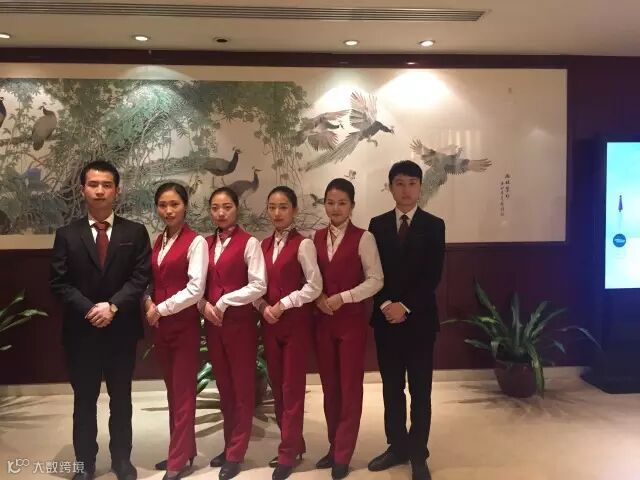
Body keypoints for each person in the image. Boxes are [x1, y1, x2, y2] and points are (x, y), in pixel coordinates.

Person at [50, 160, 151, 480]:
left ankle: (122, 460)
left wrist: (113, 307)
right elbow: (59, 283)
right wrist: (91, 309)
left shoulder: (135, 232)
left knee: (121, 400)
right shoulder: (67, 234)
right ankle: (85, 464)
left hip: (121, 331)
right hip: (81, 332)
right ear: (83, 189)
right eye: (93, 184)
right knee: (84, 401)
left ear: (116, 190)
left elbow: (140, 278)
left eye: (107, 185)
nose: (99, 190)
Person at [367, 160, 445, 480]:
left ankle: (418, 453)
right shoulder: (377, 225)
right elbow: (372, 272)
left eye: (412, 183)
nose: (406, 190)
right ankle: (397, 446)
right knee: (392, 388)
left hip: (420, 320)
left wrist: (406, 306)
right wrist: (387, 304)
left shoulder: (434, 225)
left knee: (420, 390)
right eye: (399, 183)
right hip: (386, 320)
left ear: (420, 187)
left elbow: (433, 275)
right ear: (390, 187)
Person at [312, 178, 384, 480]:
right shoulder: (315, 238)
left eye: (342, 203)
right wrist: (318, 297)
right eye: (330, 202)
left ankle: (343, 453)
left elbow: (376, 280)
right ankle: (334, 445)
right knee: (330, 388)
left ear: (352, 205)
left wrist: (344, 297)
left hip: (351, 322)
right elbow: (309, 277)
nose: (335, 208)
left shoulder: (364, 238)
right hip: (322, 322)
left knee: (350, 388)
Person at [198, 187, 267, 480]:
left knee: (242, 389)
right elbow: (196, 285)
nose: (221, 213)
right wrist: (202, 305)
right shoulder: (204, 244)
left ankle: (236, 453)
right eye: (215, 207)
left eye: (227, 206)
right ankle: (229, 446)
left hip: (240, 326)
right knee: (224, 388)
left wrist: (225, 301)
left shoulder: (249, 243)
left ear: (237, 208)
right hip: (214, 326)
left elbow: (259, 285)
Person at [254, 186, 322, 480]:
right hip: (270, 324)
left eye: (283, 207)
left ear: (294, 210)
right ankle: (294, 444)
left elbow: (314, 286)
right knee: (278, 388)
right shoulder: (262, 245)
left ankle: (287, 454)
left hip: (295, 325)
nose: (277, 213)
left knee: (292, 388)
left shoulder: (303, 244)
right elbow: (255, 285)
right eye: (272, 207)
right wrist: (262, 306)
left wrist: (284, 304)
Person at [144, 183, 208, 480]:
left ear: (185, 206)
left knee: (183, 393)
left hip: (183, 327)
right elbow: (152, 280)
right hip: (161, 327)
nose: (168, 211)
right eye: (162, 205)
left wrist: (162, 308)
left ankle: (178, 459)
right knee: (173, 391)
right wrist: (148, 302)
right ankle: (184, 449)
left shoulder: (196, 242)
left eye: (174, 204)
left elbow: (196, 289)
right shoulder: (160, 240)